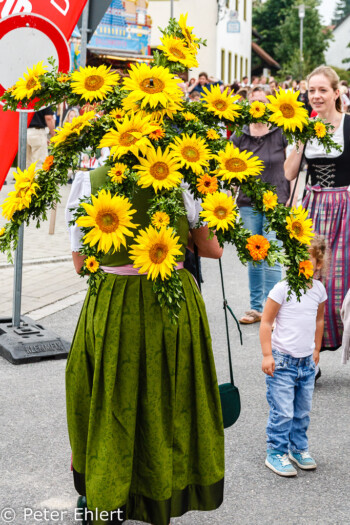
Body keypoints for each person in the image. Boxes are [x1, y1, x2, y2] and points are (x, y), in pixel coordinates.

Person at [65, 166, 225, 525]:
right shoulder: (182, 179)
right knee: (165, 398)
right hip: (170, 305)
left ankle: (104, 493)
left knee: (108, 397)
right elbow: (211, 249)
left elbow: (80, 265)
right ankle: (158, 496)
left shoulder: (88, 183)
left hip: (110, 303)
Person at [284, 65, 350, 354]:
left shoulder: (348, 125)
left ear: (337, 93)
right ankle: (312, 354)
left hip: (345, 209)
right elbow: (289, 173)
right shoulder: (306, 129)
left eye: (323, 90)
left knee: (342, 282)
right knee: (310, 280)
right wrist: (300, 139)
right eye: (311, 90)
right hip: (312, 209)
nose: (316, 95)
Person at [260, 235, 327, 477]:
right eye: (296, 260)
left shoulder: (319, 290)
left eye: (307, 260)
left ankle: (298, 448)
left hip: (306, 363)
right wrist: (267, 355)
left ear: (318, 263)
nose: (301, 264)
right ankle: (276, 451)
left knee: (302, 410)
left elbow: (319, 320)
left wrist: (316, 349)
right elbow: (266, 323)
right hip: (283, 362)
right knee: (283, 411)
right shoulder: (282, 288)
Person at [230, 88, 291, 324]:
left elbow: (291, 164)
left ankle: (273, 312)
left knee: (272, 254)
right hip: (248, 201)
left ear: (270, 105)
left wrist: (293, 196)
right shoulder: (240, 134)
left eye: (262, 101)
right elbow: (230, 166)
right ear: (247, 105)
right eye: (253, 101)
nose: (258, 105)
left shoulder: (280, 132)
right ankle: (256, 308)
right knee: (254, 254)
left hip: (276, 200)